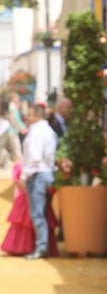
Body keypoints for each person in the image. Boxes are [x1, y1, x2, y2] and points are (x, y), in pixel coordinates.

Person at [20, 102, 56, 260]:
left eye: (29, 113)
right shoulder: (46, 130)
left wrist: (24, 175)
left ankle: (41, 247)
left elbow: (34, 157)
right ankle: (43, 246)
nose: (27, 116)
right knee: (42, 213)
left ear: (36, 115)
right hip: (45, 172)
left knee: (37, 213)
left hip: (38, 174)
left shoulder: (37, 132)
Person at [2, 162, 59, 257]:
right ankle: (41, 247)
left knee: (35, 217)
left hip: (31, 188)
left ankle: (36, 247)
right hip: (33, 189)